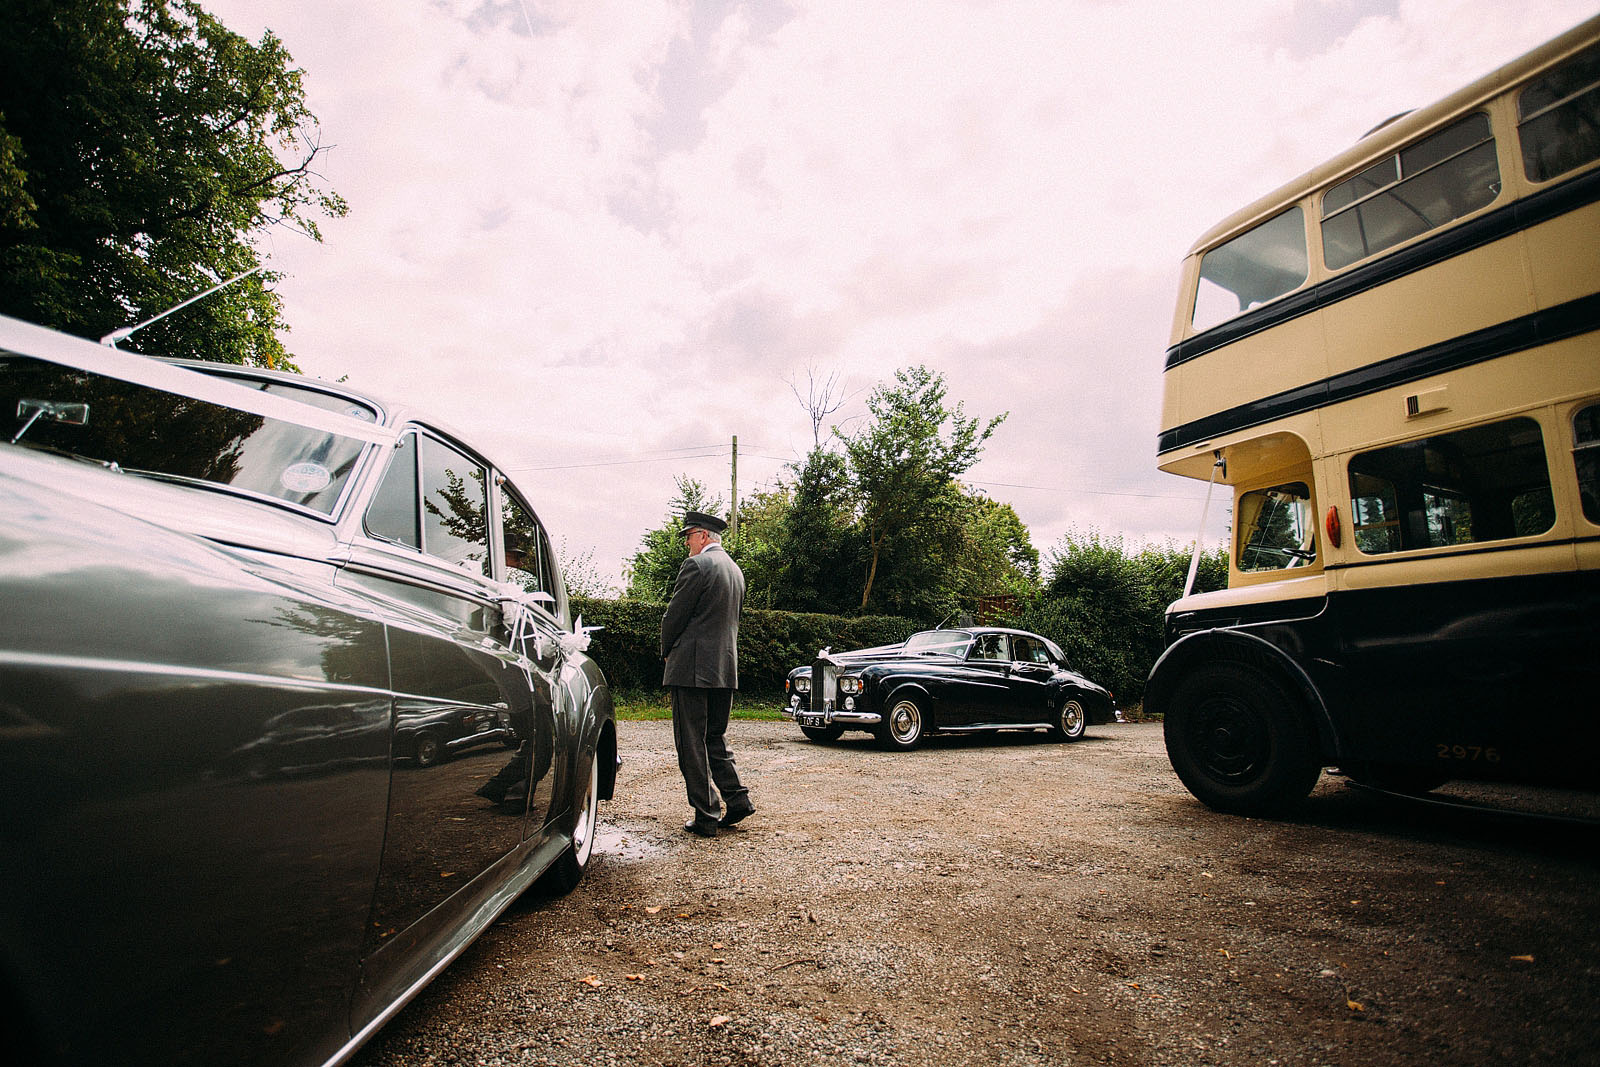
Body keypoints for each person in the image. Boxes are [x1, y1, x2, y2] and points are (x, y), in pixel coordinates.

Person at [660, 510, 754, 838]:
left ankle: (706, 814)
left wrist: (667, 650)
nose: (687, 542)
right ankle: (737, 800)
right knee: (714, 737)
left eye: (689, 536)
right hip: (724, 667)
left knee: (691, 742)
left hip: (691, 668)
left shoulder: (697, 565)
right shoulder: (735, 571)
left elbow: (675, 616)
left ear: (702, 535)